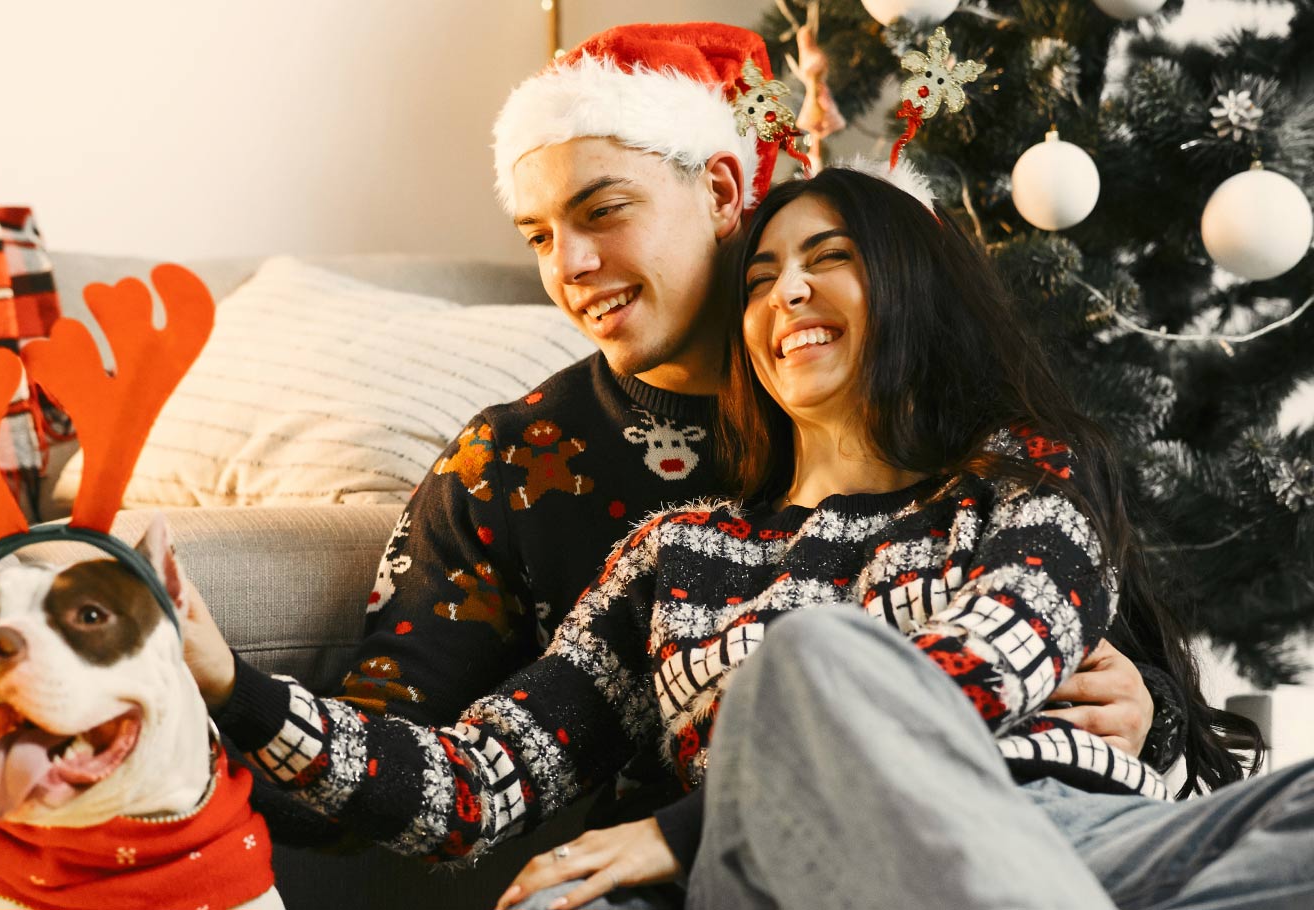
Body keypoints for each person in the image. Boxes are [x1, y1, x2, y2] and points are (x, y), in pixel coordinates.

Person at [179, 26, 1174, 847]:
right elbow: (434, 760)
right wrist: (197, 705)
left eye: (601, 211)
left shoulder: (983, 460)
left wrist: (1132, 712)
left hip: (1040, 825)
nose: (567, 264)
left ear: (722, 191)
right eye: (534, 235)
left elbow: (1101, 663)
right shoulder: (543, 479)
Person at [492, 167, 1283, 910]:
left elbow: (1004, 646)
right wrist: (361, 759)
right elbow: (482, 774)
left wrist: (681, 831)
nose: (788, 291)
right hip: (813, 862)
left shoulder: (1025, 471)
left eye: (829, 257)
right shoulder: (678, 552)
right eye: (759, 282)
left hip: (1081, 833)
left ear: (913, 286)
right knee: (808, 660)